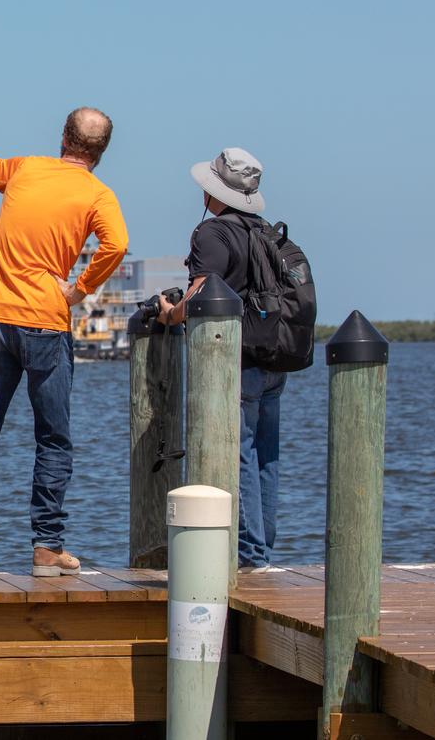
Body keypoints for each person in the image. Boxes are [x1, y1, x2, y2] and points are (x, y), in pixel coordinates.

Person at [0, 107, 128, 576]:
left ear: (63, 138)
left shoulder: (28, 169)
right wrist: (77, 289)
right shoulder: (98, 194)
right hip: (46, 324)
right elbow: (115, 245)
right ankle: (47, 547)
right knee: (52, 438)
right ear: (101, 152)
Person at [156, 147, 282, 571]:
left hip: (235, 359)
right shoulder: (262, 229)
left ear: (214, 190)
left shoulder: (211, 233)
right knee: (265, 454)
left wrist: (169, 314)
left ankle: (249, 555)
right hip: (272, 355)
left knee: (238, 453)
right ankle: (263, 549)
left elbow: (199, 293)